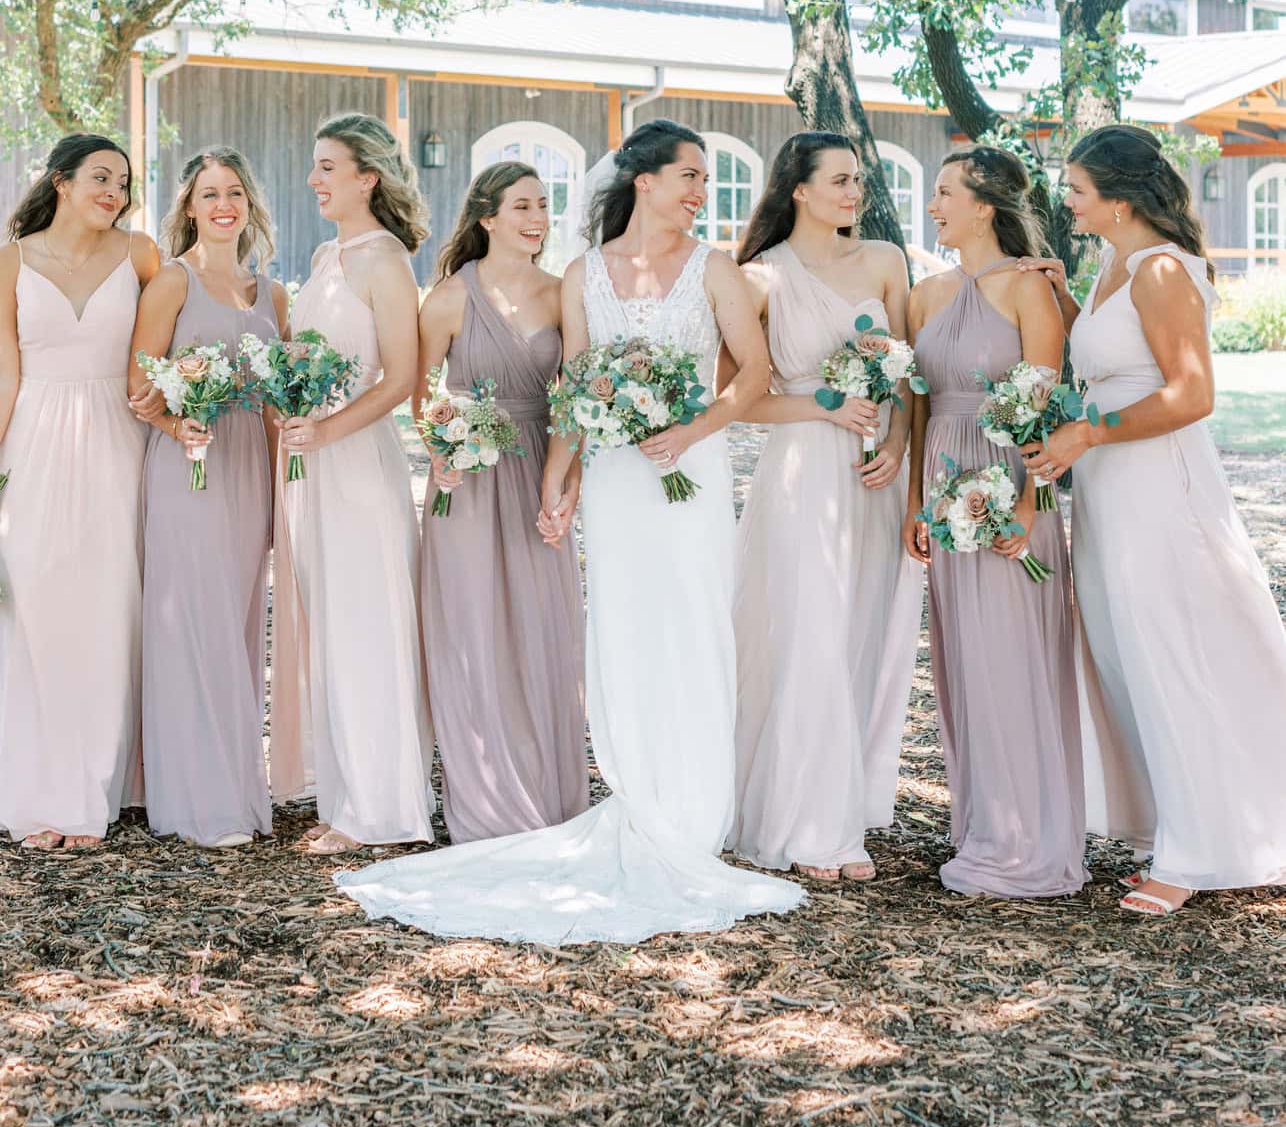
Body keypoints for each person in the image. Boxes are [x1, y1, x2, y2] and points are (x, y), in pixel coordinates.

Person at [337, 119, 804, 942]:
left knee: (695, 628)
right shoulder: (586, 274)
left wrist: (692, 433)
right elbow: (576, 384)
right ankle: (634, 793)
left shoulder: (716, 269)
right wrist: (560, 475)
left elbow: (755, 372)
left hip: (685, 477)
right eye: (689, 175)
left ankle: (694, 814)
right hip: (617, 483)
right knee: (620, 632)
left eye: (703, 178)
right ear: (645, 181)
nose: (701, 191)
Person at [1020, 124, 1286, 915]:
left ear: (1120, 199)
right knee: (1121, 650)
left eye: (1076, 190)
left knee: (1171, 646)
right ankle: (1178, 818)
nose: (1065, 201)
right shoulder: (1110, 264)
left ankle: (1197, 851)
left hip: (1158, 485)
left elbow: (1190, 395)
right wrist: (1066, 301)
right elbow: (1109, 357)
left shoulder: (1163, 269)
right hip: (1106, 487)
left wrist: (1089, 432)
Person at [727, 132, 919, 882]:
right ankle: (814, 826)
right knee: (809, 631)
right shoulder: (758, 278)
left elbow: (909, 376)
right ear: (798, 190)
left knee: (858, 628)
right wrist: (819, 413)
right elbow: (740, 401)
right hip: (804, 472)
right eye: (839, 180)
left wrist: (898, 445)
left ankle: (845, 801)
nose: (854, 192)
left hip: (872, 474)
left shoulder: (885, 262)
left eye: (858, 180)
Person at [0, 134, 159, 850]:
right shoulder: (8, 262)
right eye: (101, 177)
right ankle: (40, 796)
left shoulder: (141, 255)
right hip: (35, 446)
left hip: (119, 442)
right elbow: (0, 374)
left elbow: (161, 351)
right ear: (61, 182)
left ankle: (97, 793)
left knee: (111, 612)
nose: (114, 191)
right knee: (38, 614)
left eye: (124, 182)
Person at [906, 146, 1086, 899]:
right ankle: (984, 822)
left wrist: (1027, 505)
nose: (934, 204)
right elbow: (919, 405)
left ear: (984, 205)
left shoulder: (1025, 286)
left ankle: (1028, 839)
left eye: (945, 192)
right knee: (967, 660)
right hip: (946, 483)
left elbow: (1045, 403)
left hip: (1014, 481)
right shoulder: (925, 294)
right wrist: (917, 502)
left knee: (1012, 651)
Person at [269, 112, 434, 856]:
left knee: (368, 627)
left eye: (327, 166)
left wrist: (328, 430)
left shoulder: (384, 261)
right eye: (315, 166)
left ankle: (382, 809)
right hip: (313, 465)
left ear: (367, 176)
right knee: (332, 627)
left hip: (360, 466)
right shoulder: (325, 255)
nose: (315, 180)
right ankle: (344, 797)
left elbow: (401, 377)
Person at [416, 162, 588, 841]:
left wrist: (564, 477)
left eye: (543, 205)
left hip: (537, 474)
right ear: (487, 217)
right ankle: (485, 799)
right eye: (521, 205)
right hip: (466, 479)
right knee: (470, 628)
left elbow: (575, 391)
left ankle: (547, 792)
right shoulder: (449, 299)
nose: (537, 217)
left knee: (543, 629)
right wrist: (438, 447)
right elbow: (420, 391)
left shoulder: (560, 292)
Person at [129, 147, 287, 849]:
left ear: (248, 204)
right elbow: (137, 390)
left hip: (251, 466)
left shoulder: (273, 295)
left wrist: (284, 505)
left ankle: (234, 782)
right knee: (190, 621)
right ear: (188, 208)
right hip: (188, 464)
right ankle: (195, 799)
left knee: (239, 624)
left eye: (234, 192)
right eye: (208, 194)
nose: (223, 205)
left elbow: (279, 408)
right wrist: (175, 419)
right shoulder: (171, 282)